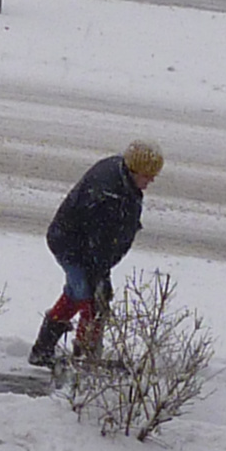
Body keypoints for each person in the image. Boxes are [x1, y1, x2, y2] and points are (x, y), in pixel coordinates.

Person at [28, 139, 164, 367]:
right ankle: (84, 357)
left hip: (86, 247)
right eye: (147, 175)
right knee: (92, 301)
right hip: (72, 246)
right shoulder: (108, 193)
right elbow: (97, 242)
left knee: (77, 294)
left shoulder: (122, 180)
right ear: (133, 169)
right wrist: (99, 275)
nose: (151, 180)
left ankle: (43, 350)